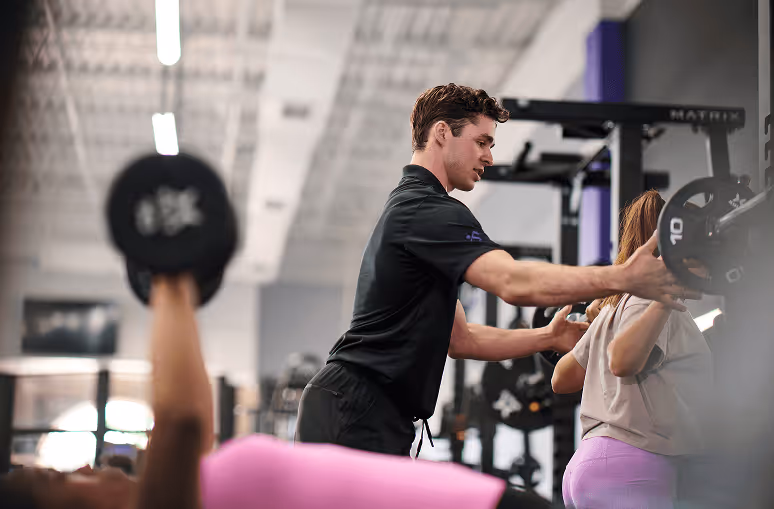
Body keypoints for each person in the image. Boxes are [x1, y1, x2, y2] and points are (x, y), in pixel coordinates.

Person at [295, 83, 696, 458]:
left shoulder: (414, 209)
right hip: (357, 407)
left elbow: (461, 339)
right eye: (481, 142)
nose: (489, 156)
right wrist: (623, 277)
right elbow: (512, 282)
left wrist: (547, 335)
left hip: (368, 410)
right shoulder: (428, 210)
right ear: (440, 133)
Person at [0, 275, 555, 509]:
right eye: (58, 479)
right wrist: (170, 275)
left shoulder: (182, 488)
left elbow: (193, 424)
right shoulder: (167, 504)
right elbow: (183, 419)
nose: (84, 469)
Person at [551, 190, 713, 509]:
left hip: (588, 464)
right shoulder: (650, 301)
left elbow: (562, 378)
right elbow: (623, 361)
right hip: (632, 466)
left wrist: (597, 342)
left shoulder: (613, 308)